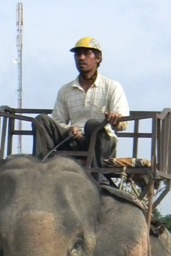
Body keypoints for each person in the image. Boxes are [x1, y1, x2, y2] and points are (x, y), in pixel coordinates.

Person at [33, 37, 130, 184]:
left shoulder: (112, 87)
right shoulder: (66, 90)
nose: (81, 58)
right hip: (73, 140)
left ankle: (98, 176)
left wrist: (115, 119)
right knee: (41, 120)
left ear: (98, 58)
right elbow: (58, 120)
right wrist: (69, 129)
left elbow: (123, 123)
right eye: (78, 54)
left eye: (86, 53)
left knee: (92, 124)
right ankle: (39, 170)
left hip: (101, 143)